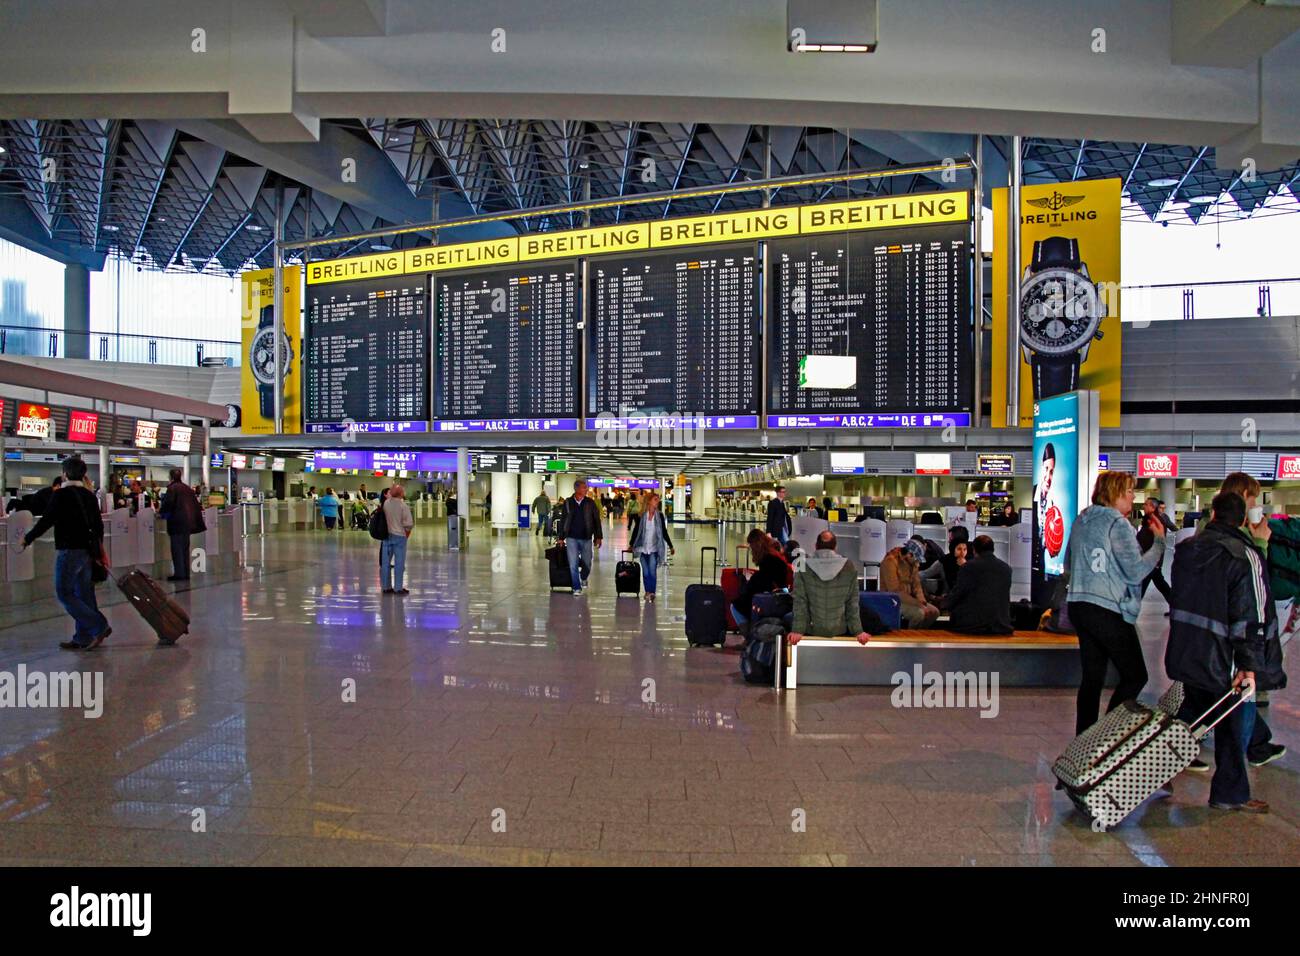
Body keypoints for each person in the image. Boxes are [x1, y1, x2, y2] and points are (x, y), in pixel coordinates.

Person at [1166, 491, 1281, 813]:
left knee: (1192, 714)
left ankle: (1157, 763)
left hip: (1188, 652)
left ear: (1213, 514)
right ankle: (1230, 794)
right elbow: (1252, 616)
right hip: (1226, 660)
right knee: (1234, 727)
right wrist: (1249, 665)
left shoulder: (1188, 549)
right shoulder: (1243, 555)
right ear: (1244, 519)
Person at [1065, 470, 1165, 735]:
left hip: (1079, 603)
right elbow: (1135, 571)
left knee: (1092, 678)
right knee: (1135, 675)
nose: (1133, 497)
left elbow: (1067, 564)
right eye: (1130, 491)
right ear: (1116, 493)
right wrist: (1159, 544)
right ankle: (1105, 737)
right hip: (1107, 607)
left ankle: (1084, 739)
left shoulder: (1082, 519)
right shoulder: (1117, 524)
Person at [19, 456, 111, 650]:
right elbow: (98, 526)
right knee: (84, 592)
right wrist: (99, 550)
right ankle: (83, 637)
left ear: (65, 474)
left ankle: (98, 625)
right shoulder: (89, 496)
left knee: (64, 592)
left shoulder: (60, 495)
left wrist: (28, 538)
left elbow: (46, 521)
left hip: (69, 550)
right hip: (87, 550)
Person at [788, 531, 870, 645]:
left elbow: (800, 600)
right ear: (835, 547)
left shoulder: (803, 566)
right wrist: (858, 631)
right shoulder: (848, 566)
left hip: (811, 630)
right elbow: (852, 602)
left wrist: (798, 630)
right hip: (840, 630)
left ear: (816, 546)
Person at [943, 535, 1013, 634]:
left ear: (974, 550)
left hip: (971, 625)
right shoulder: (1006, 569)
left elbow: (958, 594)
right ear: (993, 549)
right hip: (1001, 625)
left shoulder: (968, 567)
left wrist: (944, 604)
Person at [731, 528, 792, 630]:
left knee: (735, 606)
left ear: (755, 545)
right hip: (783, 596)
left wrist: (748, 581)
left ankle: (749, 636)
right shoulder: (776, 555)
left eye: (751, 545)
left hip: (769, 598)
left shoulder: (766, 561)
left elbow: (760, 584)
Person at [556, 479, 603, 596]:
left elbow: (596, 520)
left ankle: (583, 577)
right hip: (571, 538)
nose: (586, 489)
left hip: (586, 537)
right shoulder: (568, 502)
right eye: (584, 487)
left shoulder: (590, 503)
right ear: (576, 489)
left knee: (587, 563)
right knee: (573, 563)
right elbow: (563, 521)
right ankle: (576, 587)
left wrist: (598, 536)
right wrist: (561, 537)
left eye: (586, 487)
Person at [880, 539, 940, 628]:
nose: (918, 563)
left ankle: (920, 634)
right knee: (919, 614)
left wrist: (922, 602)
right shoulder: (890, 562)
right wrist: (919, 605)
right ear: (909, 555)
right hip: (892, 600)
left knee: (934, 612)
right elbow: (895, 592)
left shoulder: (913, 562)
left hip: (909, 599)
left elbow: (917, 585)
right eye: (917, 560)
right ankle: (909, 636)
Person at [628, 491, 674, 603]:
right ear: (649, 502)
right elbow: (636, 531)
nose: (657, 502)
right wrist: (631, 544)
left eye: (658, 500)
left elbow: (664, 532)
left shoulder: (660, 516)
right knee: (646, 572)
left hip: (654, 549)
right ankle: (647, 591)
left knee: (652, 572)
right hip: (643, 549)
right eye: (655, 500)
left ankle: (651, 592)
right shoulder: (641, 516)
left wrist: (671, 546)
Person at [159, 467, 203, 583]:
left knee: (176, 549)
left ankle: (179, 574)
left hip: (176, 524)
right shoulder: (188, 489)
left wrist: (162, 514)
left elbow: (168, 504)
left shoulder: (172, 489)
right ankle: (185, 573)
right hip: (187, 525)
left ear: (171, 477)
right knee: (184, 549)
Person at [1137, 498, 1174, 609]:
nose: (1143, 506)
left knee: (1141, 586)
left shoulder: (1155, 521)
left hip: (1151, 560)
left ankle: (1130, 611)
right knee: (1160, 584)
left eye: (1146, 505)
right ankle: (1176, 607)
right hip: (1150, 560)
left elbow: (1156, 541)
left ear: (1152, 507)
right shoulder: (1149, 520)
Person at [380, 484, 414, 595]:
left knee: (385, 563)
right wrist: (406, 531)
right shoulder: (403, 505)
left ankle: (386, 587)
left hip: (386, 537)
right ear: (401, 493)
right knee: (399, 563)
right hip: (399, 537)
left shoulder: (386, 503)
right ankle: (398, 588)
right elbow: (409, 524)